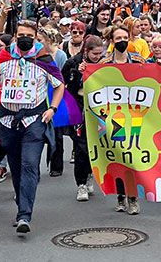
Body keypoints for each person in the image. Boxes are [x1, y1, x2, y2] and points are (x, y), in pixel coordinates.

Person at [0, 20, 66, 234]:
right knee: (16, 168)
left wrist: (52, 108)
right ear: (15, 36)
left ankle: (25, 215)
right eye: (21, 34)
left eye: (29, 35)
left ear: (35, 38)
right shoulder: (4, 58)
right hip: (7, 121)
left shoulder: (44, 59)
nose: (25, 38)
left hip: (34, 120)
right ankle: (21, 206)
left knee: (29, 164)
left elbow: (59, 84)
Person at [62, 35, 104, 203]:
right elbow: (64, 85)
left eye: (100, 53)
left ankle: (89, 175)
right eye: (95, 54)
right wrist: (77, 74)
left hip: (99, 110)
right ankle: (81, 184)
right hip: (79, 109)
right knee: (81, 147)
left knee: (96, 146)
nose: (97, 57)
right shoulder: (73, 63)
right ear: (86, 51)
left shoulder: (103, 63)